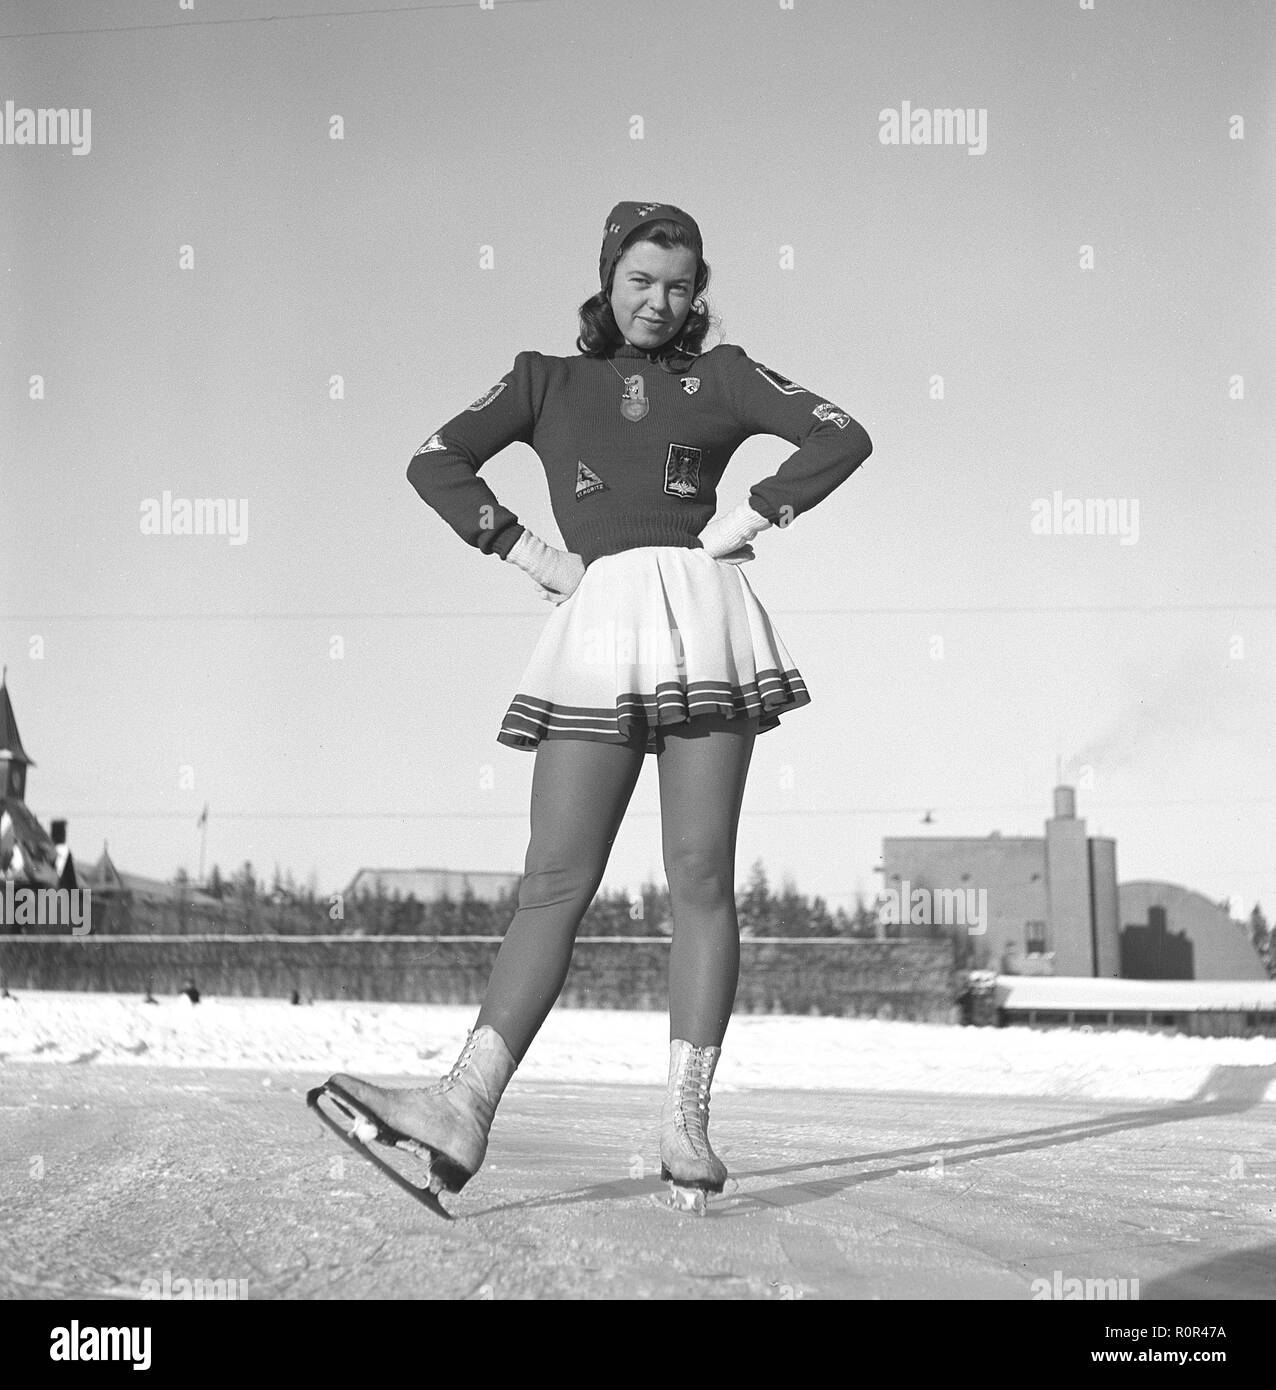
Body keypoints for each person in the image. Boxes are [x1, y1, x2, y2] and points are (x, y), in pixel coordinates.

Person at [317, 200, 872, 1212]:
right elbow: (434, 461)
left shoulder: (728, 373)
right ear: (607, 277)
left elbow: (840, 434)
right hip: (598, 618)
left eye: (679, 284)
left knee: (699, 875)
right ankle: (461, 1106)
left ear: (697, 291)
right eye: (640, 281)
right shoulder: (545, 380)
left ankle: (685, 1125)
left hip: (704, 617)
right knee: (555, 878)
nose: (660, 302)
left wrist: (745, 517)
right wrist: (530, 552)